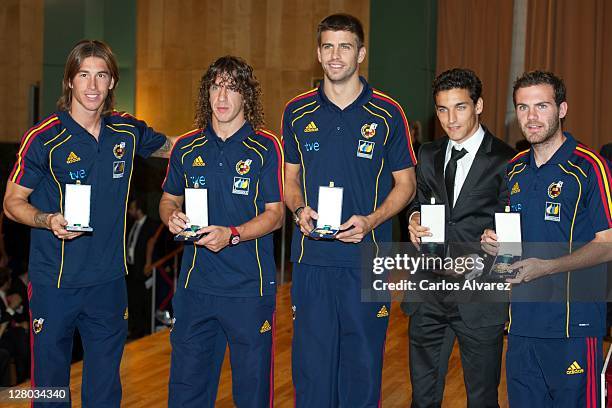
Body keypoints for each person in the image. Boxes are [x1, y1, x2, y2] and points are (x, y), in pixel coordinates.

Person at [2, 39, 174, 407]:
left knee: (105, 390)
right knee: (50, 390)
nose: (93, 85)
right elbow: (12, 202)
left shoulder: (126, 132)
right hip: (55, 283)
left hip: (108, 284)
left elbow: (174, 147)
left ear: (112, 82)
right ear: (70, 81)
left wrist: (225, 138)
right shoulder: (43, 138)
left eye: (101, 75)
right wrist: (46, 219)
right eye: (84, 75)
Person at [283, 13, 417, 407]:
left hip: (368, 261)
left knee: (362, 369)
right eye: (328, 46)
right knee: (311, 369)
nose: (335, 55)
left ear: (361, 53)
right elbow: (289, 181)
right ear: (318, 53)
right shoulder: (296, 111)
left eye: (345, 46)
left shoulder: (389, 112)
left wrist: (372, 220)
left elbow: (406, 185)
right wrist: (298, 209)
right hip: (312, 260)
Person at [482, 70, 612, 407]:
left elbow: (608, 242)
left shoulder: (589, 166)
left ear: (562, 109)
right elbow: (512, 240)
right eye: (523, 108)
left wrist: (549, 267)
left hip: (572, 326)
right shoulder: (514, 169)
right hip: (522, 325)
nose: (532, 117)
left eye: (542, 106)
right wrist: (494, 244)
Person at [160, 55, 284, 408]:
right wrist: (171, 216)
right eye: (216, 87)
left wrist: (233, 234)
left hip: (248, 289)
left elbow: (275, 215)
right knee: (186, 391)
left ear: (247, 96)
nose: (222, 97)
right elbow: (168, 199)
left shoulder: (266, 147)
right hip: (195, 289)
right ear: (207, 93)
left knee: (252, 393)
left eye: (232, 88)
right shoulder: (186, 146)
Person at [403, 68, 515, 407]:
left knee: (482, 399)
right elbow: (417, 201)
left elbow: (514, 233)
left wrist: (504, 245)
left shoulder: (508, 160)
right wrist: (413, 218)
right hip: (428, 296)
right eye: (442, 109)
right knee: (422, 398)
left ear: (478, 105)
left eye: (460, 107)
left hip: (479, 299)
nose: (450, 119)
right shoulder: (427, 154)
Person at [126, 196, 159, 339]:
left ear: (138, 209)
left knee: (143, 301)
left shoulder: (152, 225)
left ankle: (143, 331)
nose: (129, 211)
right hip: (131, 268)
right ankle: (134, 329)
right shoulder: (132, 224)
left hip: (143, 269)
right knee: (132, 300)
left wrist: (149, 264)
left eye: (131, 208)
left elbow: (154, 246)